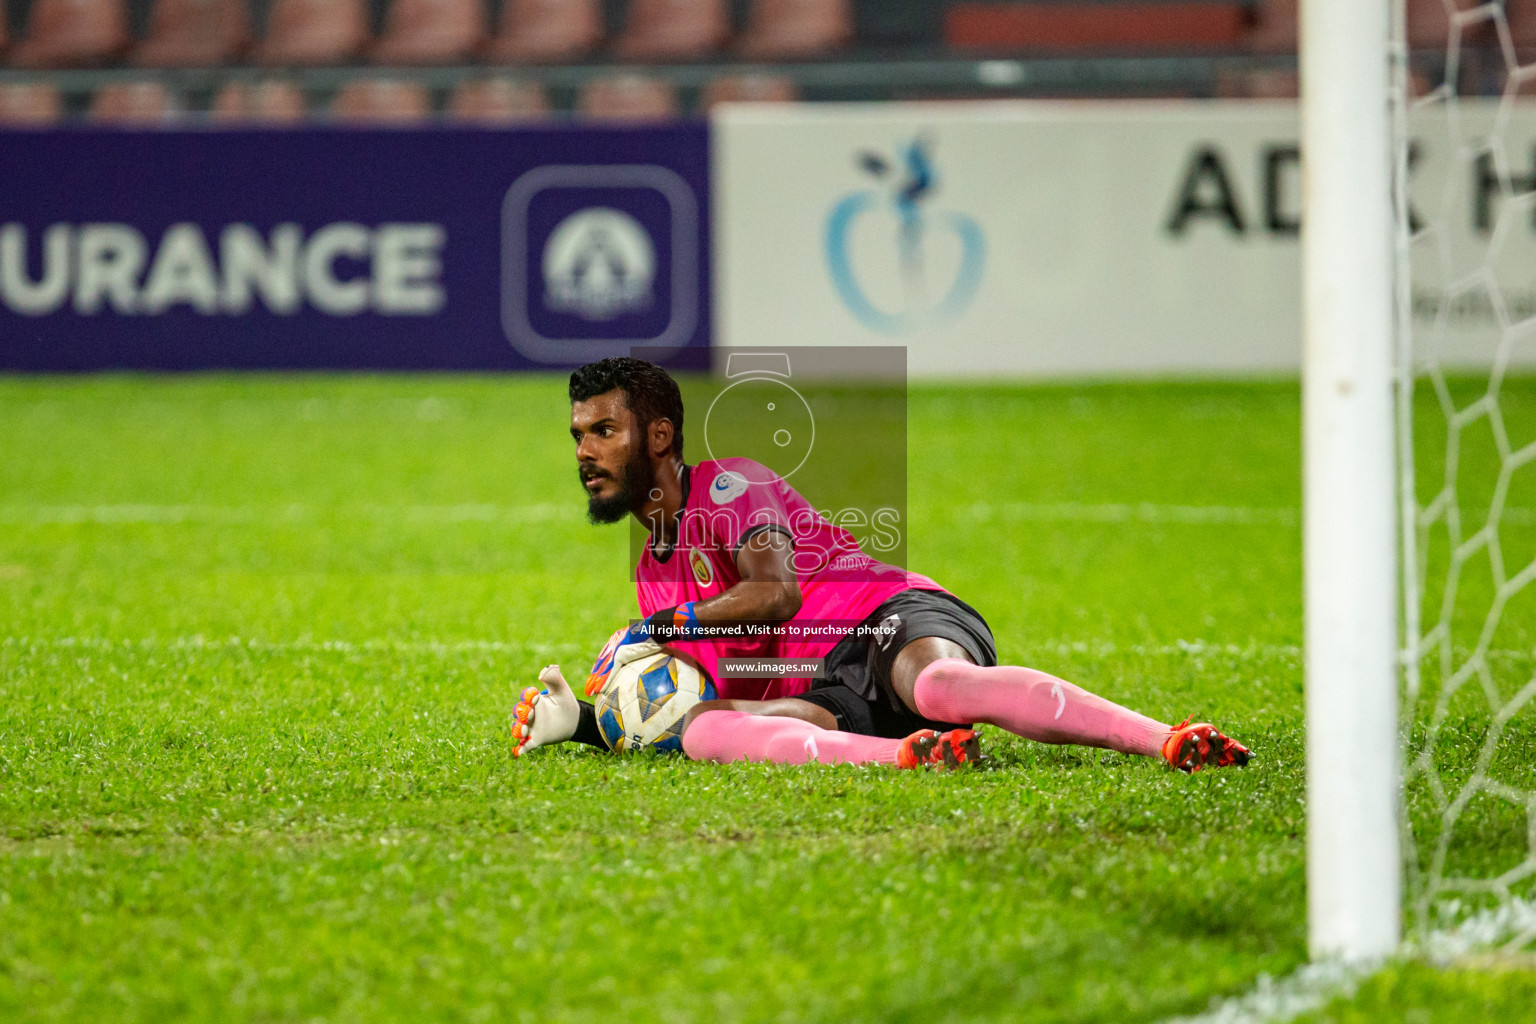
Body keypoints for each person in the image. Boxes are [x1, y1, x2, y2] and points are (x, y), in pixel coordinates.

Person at [511, 357, 1252, 773]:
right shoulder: (653, 564)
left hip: (883, 619)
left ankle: (1166, 738)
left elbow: (774, 594)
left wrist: (658, 625)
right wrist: (584, 720)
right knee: (707, 731)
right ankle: (907, 755)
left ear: (661, 436)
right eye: (577, 434)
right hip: (827, 685)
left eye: (604, 430)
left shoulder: (733, 485)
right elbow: (695, 686)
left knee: (939, 684)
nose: (583, 451)